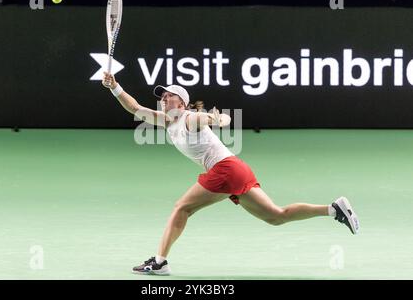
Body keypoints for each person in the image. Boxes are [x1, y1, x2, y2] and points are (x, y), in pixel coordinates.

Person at [101, 72, 360, 276]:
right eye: (162, 97)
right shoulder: (167, 121)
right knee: (276, 217)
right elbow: (134, 108)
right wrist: (114, 87)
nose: (163, 99)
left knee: (182, 208)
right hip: (235, 168)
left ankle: (160, 261)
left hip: (225, 169)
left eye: (169, 96)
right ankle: (333, 209)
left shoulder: (189, 118)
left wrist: (217, 119)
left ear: (181, 103)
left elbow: (213, 120)